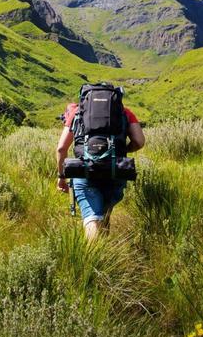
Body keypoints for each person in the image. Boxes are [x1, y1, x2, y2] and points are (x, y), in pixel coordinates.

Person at [56, 97, 145, 241]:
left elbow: (61, 149)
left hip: (85, 171)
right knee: (104, 213)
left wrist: (61, 177)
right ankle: (105, 251)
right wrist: (122, 151)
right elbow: (139, 142)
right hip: (115, 170)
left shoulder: (77, 112)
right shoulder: (124, 112)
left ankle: (96, 260)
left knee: (92, 216)